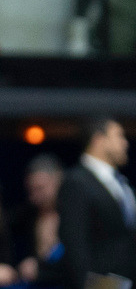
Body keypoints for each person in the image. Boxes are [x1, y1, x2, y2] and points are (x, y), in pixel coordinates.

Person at [58, 117, 136, 288]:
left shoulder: (122, 183)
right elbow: (75, 245)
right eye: (119, 136)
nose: (125, 143)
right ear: (98, 140)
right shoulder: (76, 182)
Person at [12, 154, 66, 286]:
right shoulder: (23, 217)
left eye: (40, 188)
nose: (35, 197)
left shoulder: (77, 216)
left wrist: (41, 268)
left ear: (59, 180)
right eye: (31, 191)